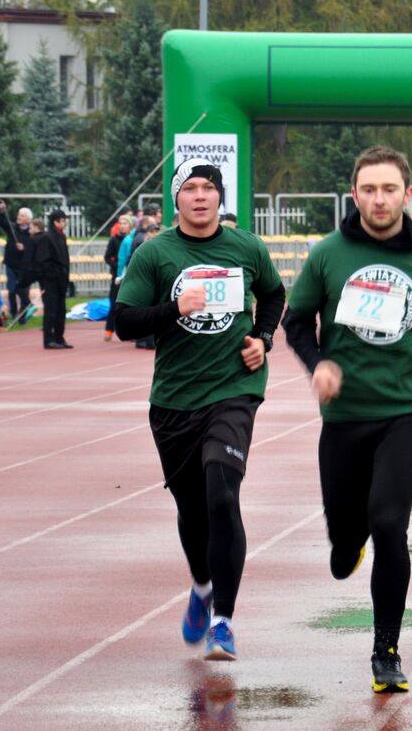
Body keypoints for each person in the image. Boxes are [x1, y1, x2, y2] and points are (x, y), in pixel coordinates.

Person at [281, 145, 412, 694]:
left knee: (390, 524)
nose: (379, 199)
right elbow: (296, 321)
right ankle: (348, 542)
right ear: (354, 194)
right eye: (369, 189)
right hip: (345, 414)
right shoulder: (328, 254)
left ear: (407, 194)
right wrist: (318, 364)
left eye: (390, 189)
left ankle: (386, 651)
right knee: (345, 543)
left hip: (407, 411)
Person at [113, 158, 286, 663]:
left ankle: (223, 621)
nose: (201, 196)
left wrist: (263, 338)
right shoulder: (155, 253)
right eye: (190, 188)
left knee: (222, 493)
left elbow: (274, 294)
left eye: (209, 187)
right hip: (174, 399)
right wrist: (176, 309)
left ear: (219, 196)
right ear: (177, 199)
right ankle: (202, 585)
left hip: (234, 390)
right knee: (192, 510)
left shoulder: (247, 247)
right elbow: (124, 322)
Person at [33, 208, 72, 349]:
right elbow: (43, 261)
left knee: (61, 310)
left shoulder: (62, 237)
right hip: (51, 280)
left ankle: (59, 337)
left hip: (62, 279)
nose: (64, 223)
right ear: (55, 222)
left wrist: (65, 274)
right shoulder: (47, 237)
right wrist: (54, 273)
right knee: (51, 310)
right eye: (62, 220)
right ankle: (48, 339)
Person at [0, 202, 34, 318]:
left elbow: (35, 248)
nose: (18, 217)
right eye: (18, 215)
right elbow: (2, 223)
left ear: (28, 220)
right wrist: (2, 211)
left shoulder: (32, 232)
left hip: (25, 266)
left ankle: (24, 313)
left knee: (24, 290)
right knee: (11, 289)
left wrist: (24, 248)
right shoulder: (12, 227)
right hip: (11, 263)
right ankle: (13, 313)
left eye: (22, 215)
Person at [103, 215, 132, 341]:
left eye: (125, 223)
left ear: (130, 225)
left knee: (129, 305)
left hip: (130, 276)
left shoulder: (132, 239)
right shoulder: (114, 240)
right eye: (121, 223)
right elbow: (107, 257)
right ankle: (109, 330)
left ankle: (128, 331)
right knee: (114, 303)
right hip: (117, 276)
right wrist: (116, 266)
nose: (122, 225)